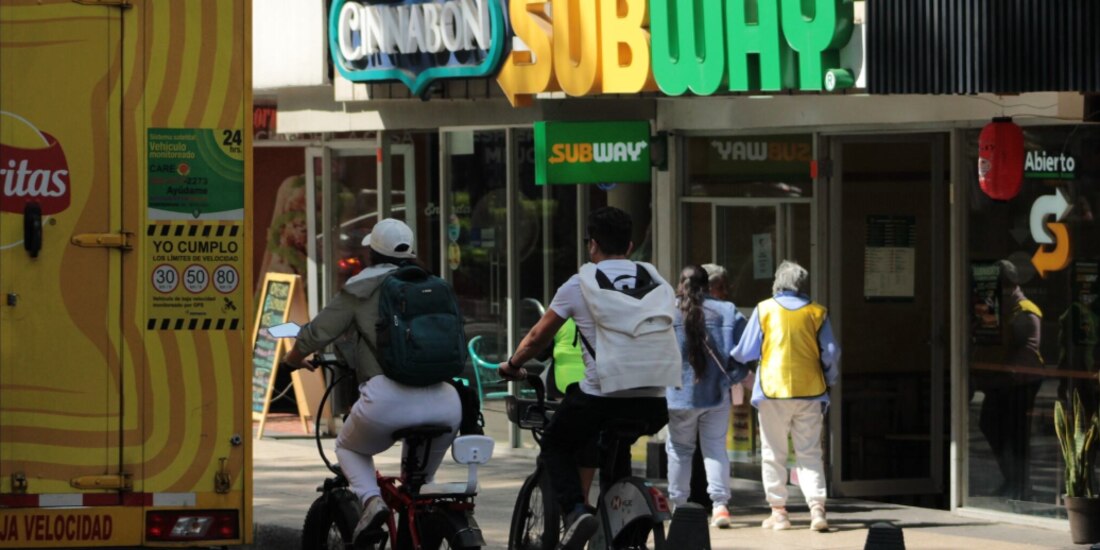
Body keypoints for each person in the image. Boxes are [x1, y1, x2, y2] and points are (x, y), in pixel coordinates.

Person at [498, 207, 676, 550]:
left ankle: (576, 512)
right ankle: (621, 527)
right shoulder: (657, 281)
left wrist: (511, 364)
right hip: (654, 401)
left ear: (591, 245)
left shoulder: (580, 284)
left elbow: (537, 337)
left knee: (555, 442)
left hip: (599, 397)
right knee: (617, 446)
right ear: (631, 244)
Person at [283, 218, 462, 546]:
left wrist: (292, 361)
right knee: (418, 488)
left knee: (348, 447)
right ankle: (423, 525)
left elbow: (314, 334)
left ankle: (371, 502)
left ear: (372, 253)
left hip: (387, 399)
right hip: (446, 402)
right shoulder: (432, 285)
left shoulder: (359, 289)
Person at [731, 260, 840, 532]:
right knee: (810, 451)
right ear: (802, 285)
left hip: (772, 389)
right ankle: (817, 509)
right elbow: (832, 352)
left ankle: (779, 512)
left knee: (773, 451)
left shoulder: (764, 309)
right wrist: (830, 378)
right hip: (811, 390)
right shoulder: (817, 312)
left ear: (777, 283)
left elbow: (745, 352)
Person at [666, 265, 747, 527]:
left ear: (680, 284)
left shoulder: (666, 312)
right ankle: (721, 507)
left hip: (678, 395)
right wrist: (734, 375)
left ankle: (679, 506)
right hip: (716, 394)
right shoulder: (727, 310)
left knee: (679, 449)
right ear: (708, 285)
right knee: (715, 448)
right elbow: (746, 349)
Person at [977, 259, 1043, 500]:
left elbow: (1023, 349)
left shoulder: (1025, 309)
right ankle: (1013, 480)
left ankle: (1020, 485)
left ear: (1008, 283)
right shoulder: (1004, 307)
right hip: (1006, 380)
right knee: (994, 425)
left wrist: (1000, 375)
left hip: (1020, 382)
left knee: (1015, 434)